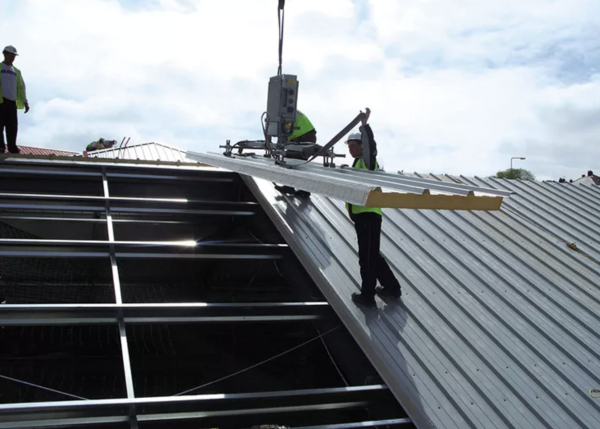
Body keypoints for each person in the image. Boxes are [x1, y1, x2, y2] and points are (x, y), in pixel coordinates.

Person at [343, 107, 401, 308]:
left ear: (362, 146)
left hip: (368, 217)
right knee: (372, 255)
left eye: (353, 145)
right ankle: (392, 287)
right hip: (363, 218)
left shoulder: (368, 162)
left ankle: (367, 295)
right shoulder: (357, 165)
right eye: (348, 146)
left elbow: (371, 149)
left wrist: (365, 127)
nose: (350, 149)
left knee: (367, 258)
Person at [0, 45, 30, 154]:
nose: (13, 57)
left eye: (14, 56)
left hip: (12, 102)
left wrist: (25, 101)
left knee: (12, 126)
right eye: (11, 55)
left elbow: (22, 87)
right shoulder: (0, 67)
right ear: (5, 54)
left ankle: (12, 147)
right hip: (1, 101)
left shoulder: (16, 71)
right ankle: (1, 147)